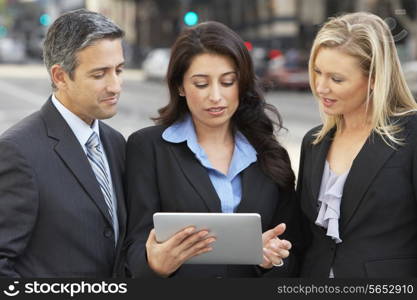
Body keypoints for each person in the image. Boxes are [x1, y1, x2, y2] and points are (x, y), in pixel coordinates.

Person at [125, 21, 300, 278]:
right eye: (201, 84)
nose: (216, 96)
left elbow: (293, 253)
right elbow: (133, 249)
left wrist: (269, 259)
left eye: (228, 82)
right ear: (180, 86)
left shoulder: (270, 154)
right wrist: (154, 264)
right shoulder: (148, 148)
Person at [0, 9, 126, 277]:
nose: (115, 86)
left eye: (119, 70)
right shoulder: (17, 152)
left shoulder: (116, 144)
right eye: (99, 74)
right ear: (60, 76)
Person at [297, 12, 417, 277]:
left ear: (374, 78)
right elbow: (305, 237)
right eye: (317, 72)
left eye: (336, 79)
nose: (320, 87)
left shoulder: (412, 135)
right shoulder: (313, 142)